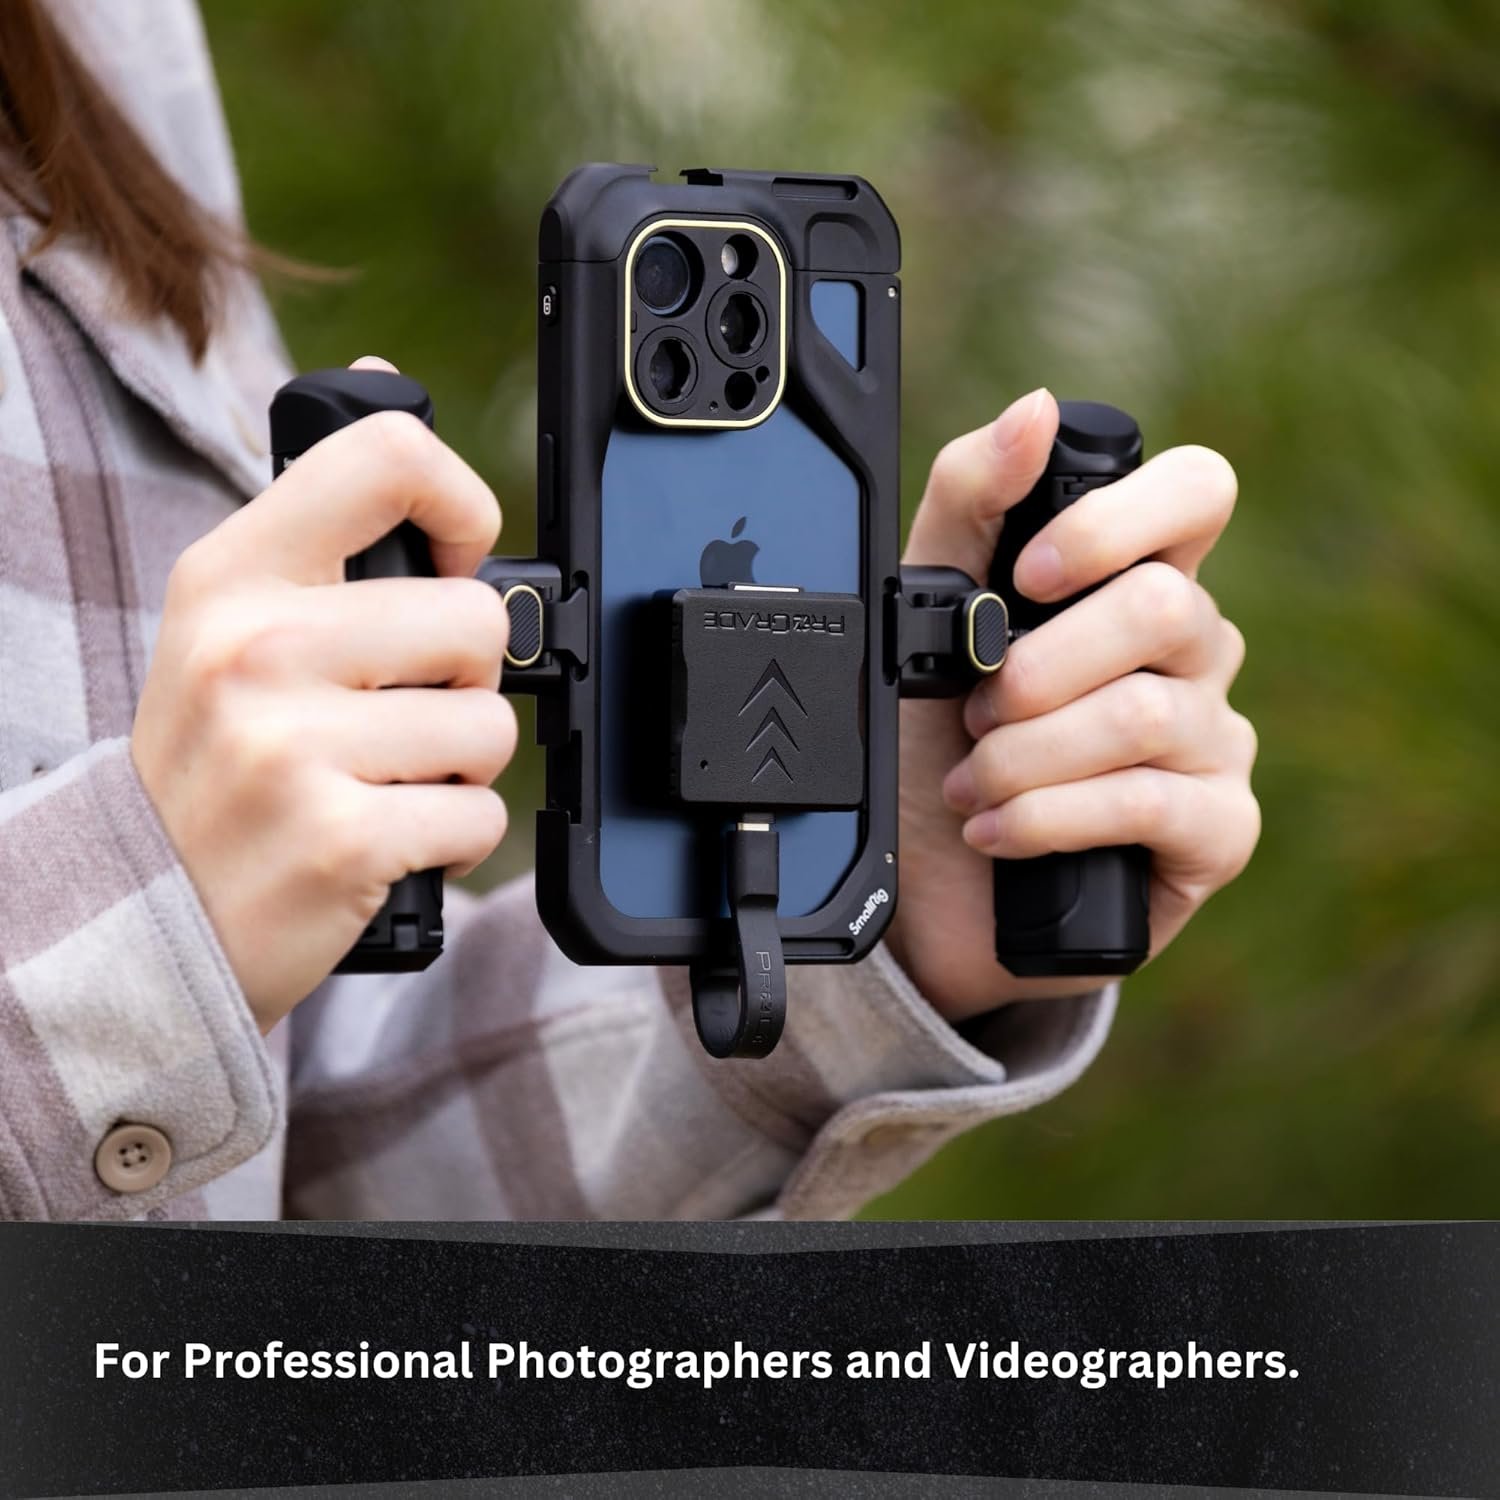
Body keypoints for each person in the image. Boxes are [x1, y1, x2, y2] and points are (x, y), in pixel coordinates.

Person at [0, 0, 1259, 1221]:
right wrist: (139, 943)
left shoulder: (108, 26)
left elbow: (270, 1142)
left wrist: (899, 907)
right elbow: (161, 1000)